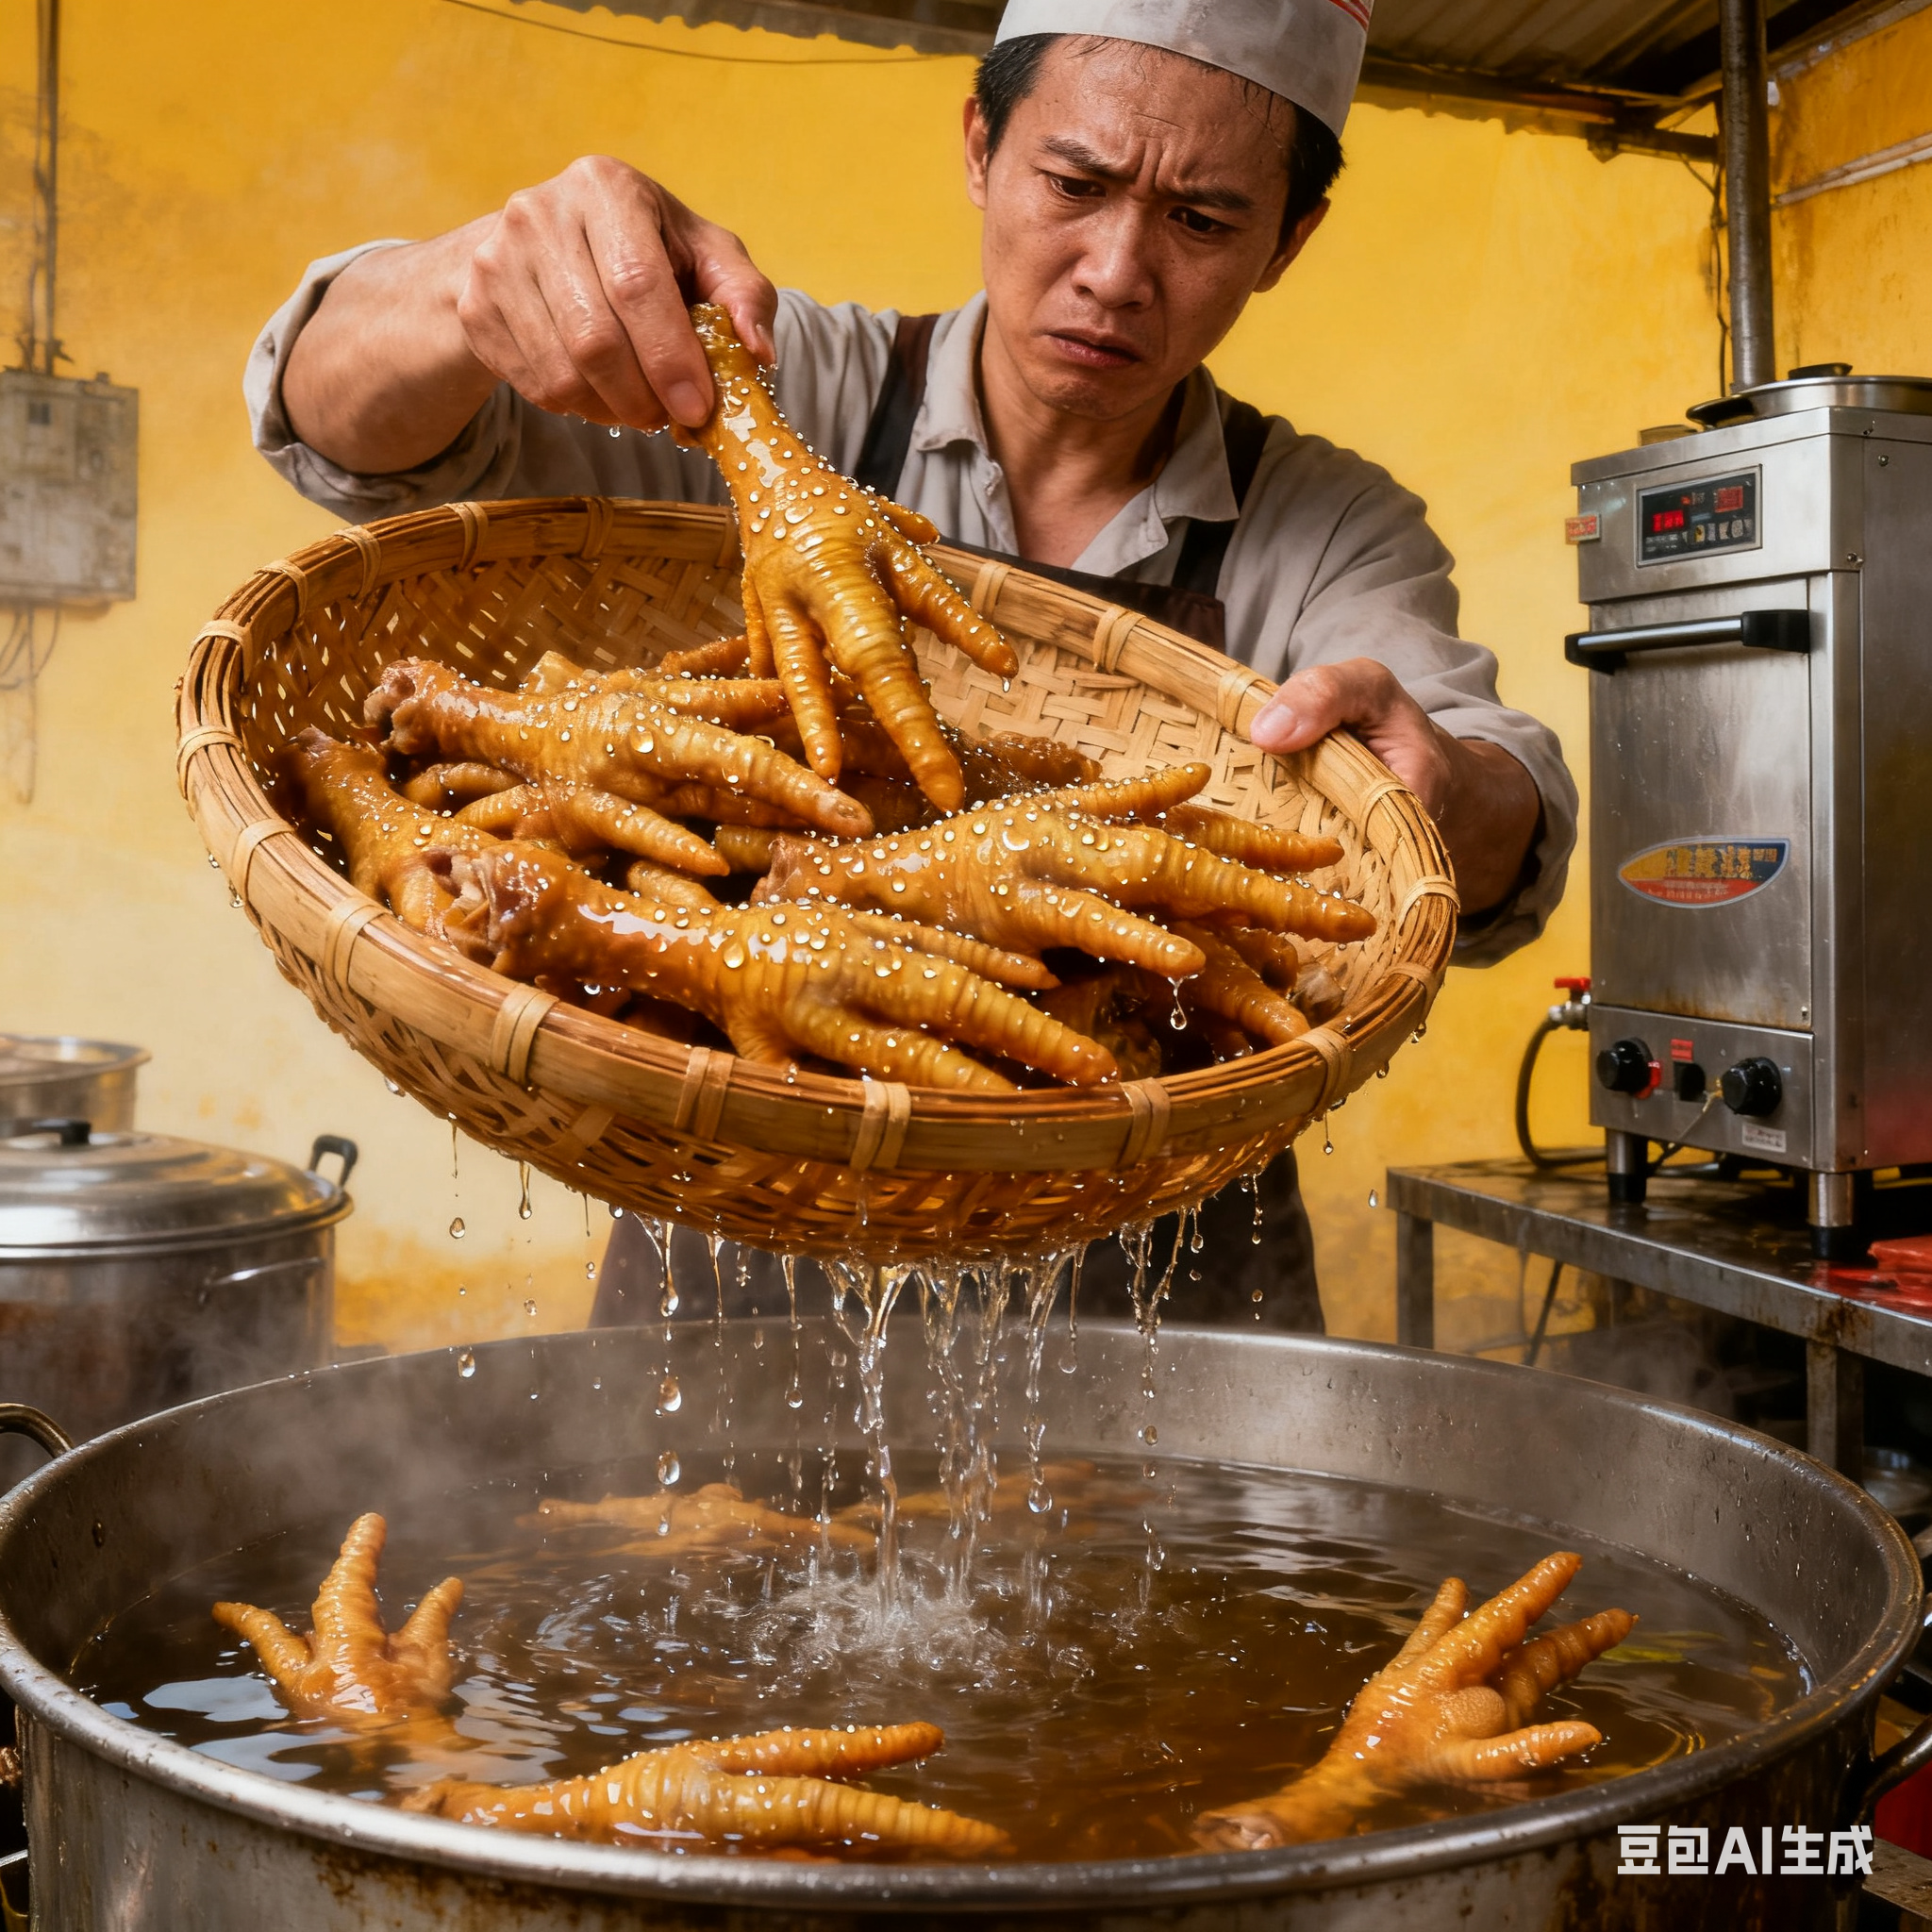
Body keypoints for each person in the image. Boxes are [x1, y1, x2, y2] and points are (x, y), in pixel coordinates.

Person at [244, 0, 1575, 1334]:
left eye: (1203, 221)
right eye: (1076, 183)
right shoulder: (777, 391)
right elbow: (337, 429)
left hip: (1162, 1273)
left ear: (1287, 242)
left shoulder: (1332, 526)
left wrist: (1450, 790)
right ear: (981, 148)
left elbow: (1507, 830)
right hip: (736, 1257)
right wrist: (466, 285)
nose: (1116, 268)